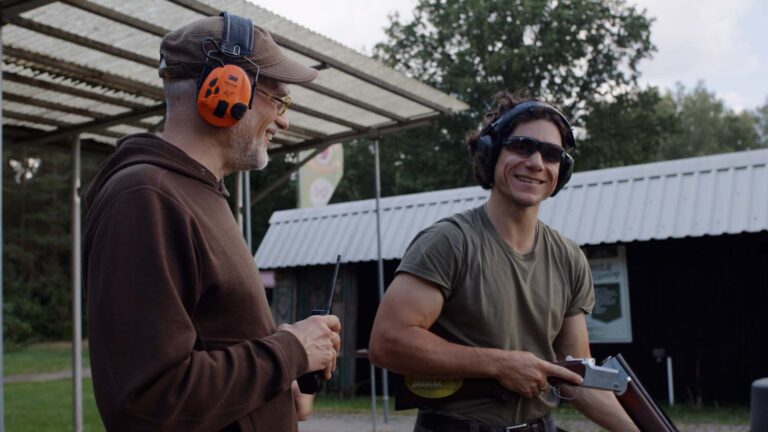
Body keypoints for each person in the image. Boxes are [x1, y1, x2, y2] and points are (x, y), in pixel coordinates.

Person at [84, 13, 340, 432]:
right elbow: (147, 402)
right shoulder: (145, 197)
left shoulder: (199, 193)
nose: (284, 120)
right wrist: (290, 350)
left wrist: (275, 387)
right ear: (227, 89)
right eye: (278, 99)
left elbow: (216, 348)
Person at [369, 92, 639, 432]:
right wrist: (499, 364)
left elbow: (576, 378)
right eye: (522, 147)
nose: (536, 163)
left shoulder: (569, 258)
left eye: (552, 154)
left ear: (562, 170)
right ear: (490, 154)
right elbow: (388, 341)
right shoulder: (450, 241)